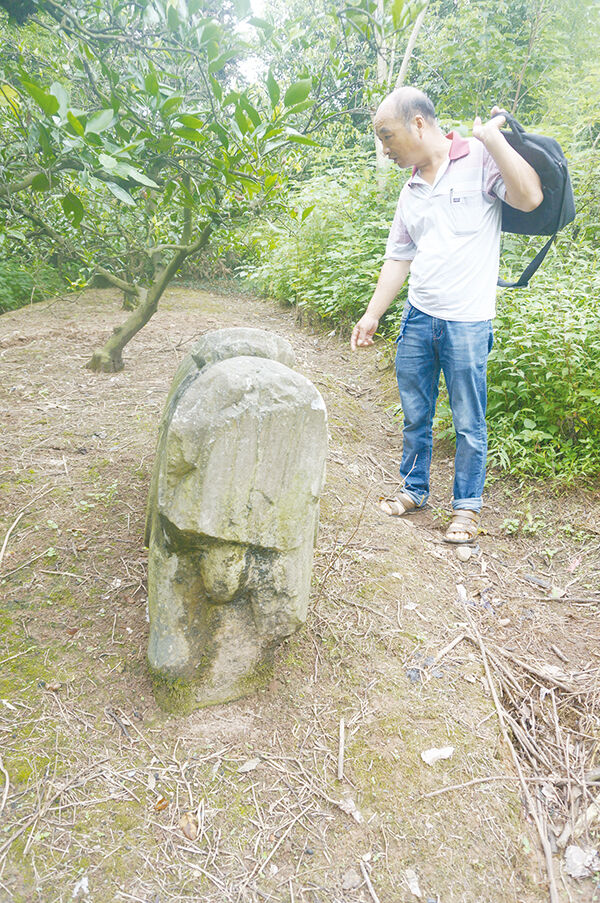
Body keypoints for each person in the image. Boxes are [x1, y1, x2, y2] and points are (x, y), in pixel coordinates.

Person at [351, 87, 542, 543]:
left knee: (468, 419)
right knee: (416, 413)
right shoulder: (411, 187)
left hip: (468, 321)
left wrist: (492, 139)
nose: (385, 147)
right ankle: (414, 489)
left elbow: (530, 197)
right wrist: (373, 314)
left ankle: (466, 508)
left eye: (387, 135)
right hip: (419, 316)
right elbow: (399, 256)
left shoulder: (478, 157)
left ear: (418, 123)